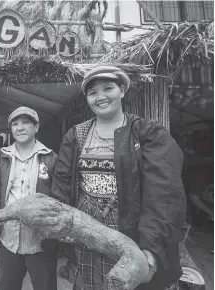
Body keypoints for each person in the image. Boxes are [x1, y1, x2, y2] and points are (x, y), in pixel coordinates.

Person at [51, 66, 186, 290]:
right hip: (87, 229)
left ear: (122, 91)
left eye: (108, 88)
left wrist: (150, 246)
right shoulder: (76, 135)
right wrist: (64, 225)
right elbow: (62, 183)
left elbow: (164, 193)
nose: (100, 97)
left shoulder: (146, 132)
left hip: (131, 228)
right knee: (90, 283)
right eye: (93, 92)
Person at [0, 107, 59, 290]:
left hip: (41, 243)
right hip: (9, 241)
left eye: (26, 123)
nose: (20, 127)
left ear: (36, 127)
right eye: (15, 124)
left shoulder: (50, 158)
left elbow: (59, 195)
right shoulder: (1, 157)